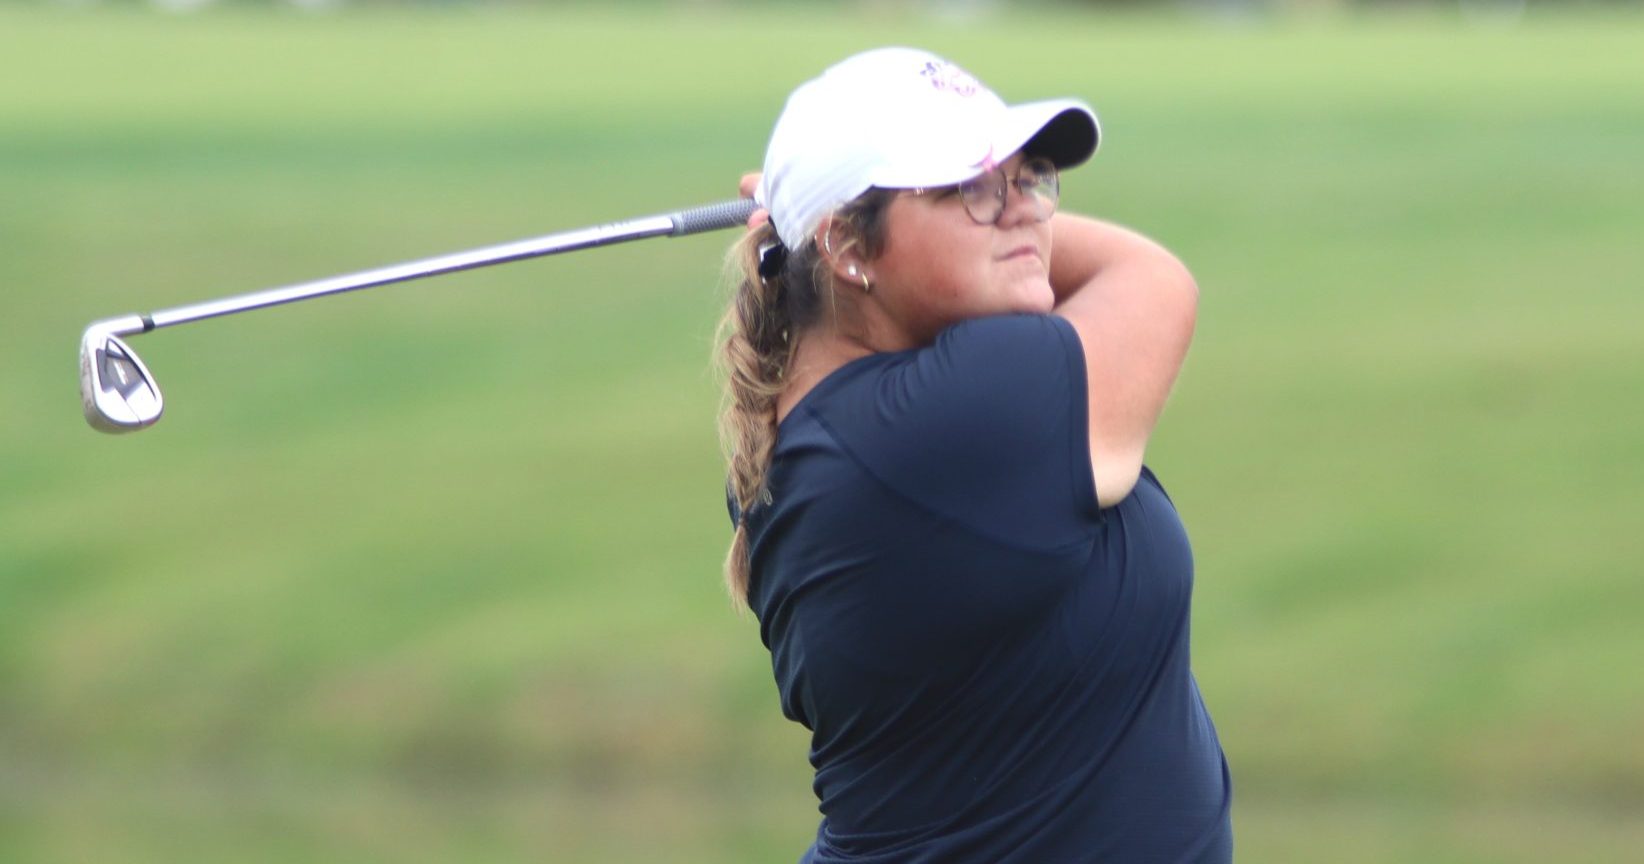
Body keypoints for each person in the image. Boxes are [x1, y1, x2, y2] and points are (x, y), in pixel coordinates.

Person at [715, 47, 1231, 862]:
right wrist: (804, 219)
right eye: (972, 186)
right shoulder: (951, 418)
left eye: (1028, 180)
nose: (1024, 211)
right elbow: (1151, 281)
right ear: (847, 247)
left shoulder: (829, 431)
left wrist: (814, 224)